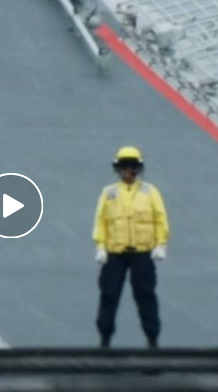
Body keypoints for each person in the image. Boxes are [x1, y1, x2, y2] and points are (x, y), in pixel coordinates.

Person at [92, 146, 169, 349]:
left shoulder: (150, 192)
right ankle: (105, 341)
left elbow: (160, 218)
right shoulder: (109, 193)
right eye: (125, 167)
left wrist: (161, 244)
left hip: (142, 254)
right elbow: (101, 221)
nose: (129, 171)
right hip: (114, 254)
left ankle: (152, 340)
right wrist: (100, 246)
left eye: (133, 167)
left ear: (138, 169)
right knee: (109, 295)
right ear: (118, 169)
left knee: (146, 296)